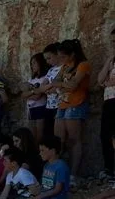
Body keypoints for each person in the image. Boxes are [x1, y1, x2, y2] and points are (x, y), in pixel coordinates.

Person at [51, 39, 91, 182]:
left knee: (74, 140)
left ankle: (74, 174)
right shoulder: (65, 67)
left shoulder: (83, 65)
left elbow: (74, 85)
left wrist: (62, 84)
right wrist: (64, 84)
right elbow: (53, 83)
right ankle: (59, 173)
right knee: (59, 140)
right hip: (63, 104)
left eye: (63, 56)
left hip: (76, 103)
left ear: (72, 54)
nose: (61, 60)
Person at [22, 53, 51, 143]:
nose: (32, 65)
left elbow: (38, 97)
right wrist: (33, 92)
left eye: (34, 63)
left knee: (40, 134)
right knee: (32, 134)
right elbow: (22, 95)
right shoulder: (31, 80)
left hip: (40, 108)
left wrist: (29, 94)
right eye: (31, 63)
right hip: (31, 109)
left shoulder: (45, 78)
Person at [98, 27, 115, 180]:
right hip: (109, 100)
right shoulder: (111, 59)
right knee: (106, 135)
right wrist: (109, 61)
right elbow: (100, 80)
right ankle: (110, 168)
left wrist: (107, 82)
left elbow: (110, 81)